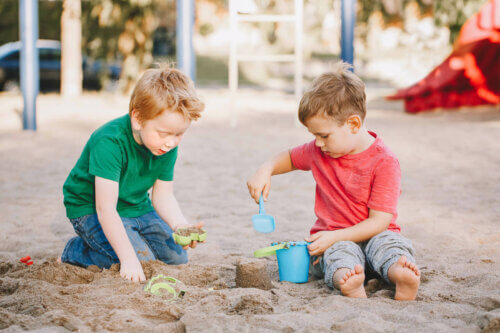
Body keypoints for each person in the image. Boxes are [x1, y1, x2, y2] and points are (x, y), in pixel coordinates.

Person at [247, 62, 420, 300]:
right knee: (338, 255)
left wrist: (335, 235)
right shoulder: (320, 151)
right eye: (314, 136)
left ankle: (400, 274)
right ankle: (349, 281)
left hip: (372, 235)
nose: (318, 143)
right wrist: (265, 169)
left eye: (323, 135)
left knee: (389, 245)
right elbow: (288, 158)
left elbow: (379, 222)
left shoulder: (385, 161)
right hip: (337, 241)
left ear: (353, 124)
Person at [60, 65, 205, 282]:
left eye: (179, 134)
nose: (172, 142)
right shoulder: (109, 142)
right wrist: (128, 260)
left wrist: (180, 225)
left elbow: (163, 195)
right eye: (165, 133)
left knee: (177, 258)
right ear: (137, 119)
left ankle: (121, 243)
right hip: (90, 207)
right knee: (138, 260)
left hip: (135, 205)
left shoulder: (166, 144)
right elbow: (105, 210)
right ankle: (76, 250)